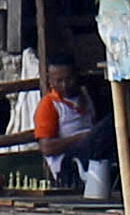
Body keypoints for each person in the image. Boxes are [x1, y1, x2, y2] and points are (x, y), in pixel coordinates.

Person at [34, 64, 109, 197]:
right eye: (59, 81)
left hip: (90, 151)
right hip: (68, 163)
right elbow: (46, 148)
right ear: (50, 80)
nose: (65, 85)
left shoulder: (85, 96)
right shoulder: (49, 104)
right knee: (107, 126)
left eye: (69, 79)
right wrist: (81, 137)